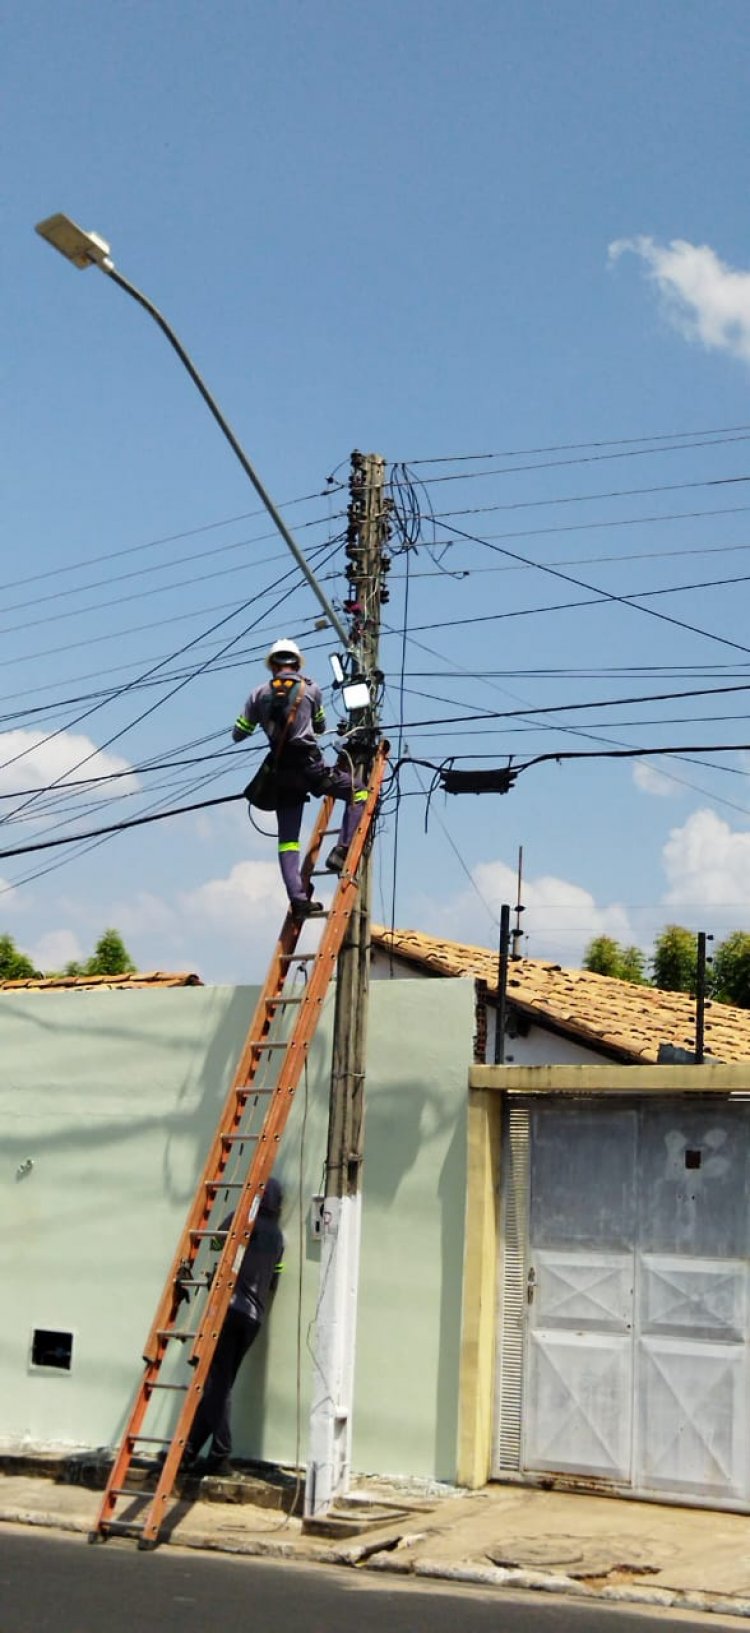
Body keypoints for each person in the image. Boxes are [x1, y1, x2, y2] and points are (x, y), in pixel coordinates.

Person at [232, 638, 368, 920]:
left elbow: (239, 732)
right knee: (359, 790)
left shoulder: (257, 694)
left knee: (288, 841)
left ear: (272, 666)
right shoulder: (311, 689)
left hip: (282, 773)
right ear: (296, 663)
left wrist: (260, 720)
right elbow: (319, 726)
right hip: (310, 766)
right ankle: (341, 850)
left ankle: (298, 899)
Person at [182, 1176, 285, 1476]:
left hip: (228, 1311)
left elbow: (216, 1243)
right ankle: (189, 1450)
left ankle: (220, 1452)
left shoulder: (240, 1221)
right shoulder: (278, 1239)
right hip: (253, 1318)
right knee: (220, 1384)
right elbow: (275, 1279)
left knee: (217, 1384)